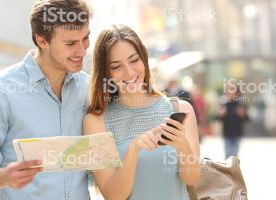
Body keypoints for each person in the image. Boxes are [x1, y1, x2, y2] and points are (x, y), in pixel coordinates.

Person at [0, 0, 91, 199]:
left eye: (85, 38)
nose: (82, 50)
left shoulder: (88, 87)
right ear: (42, 41)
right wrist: (1, 177)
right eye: (71, 43)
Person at [83, 24, 200, 200]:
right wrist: (133, 150)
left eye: (134, 60)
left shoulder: (180, 109)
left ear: (143, 58)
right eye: (116, 66)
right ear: (105, 73)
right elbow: (113, 195)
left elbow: (191, 178)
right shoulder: (95, 122)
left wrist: (183, 145)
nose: (129, 72)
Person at [216, 85, 248, 159]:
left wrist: (242, 114)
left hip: (237, 133)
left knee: (234, 155)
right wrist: (221, 114)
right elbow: (217, 118)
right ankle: (227, 170)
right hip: (227, 133)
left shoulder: (241, 104)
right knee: (228, 154)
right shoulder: (223, 104)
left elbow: (247, 118)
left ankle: (233, 170)